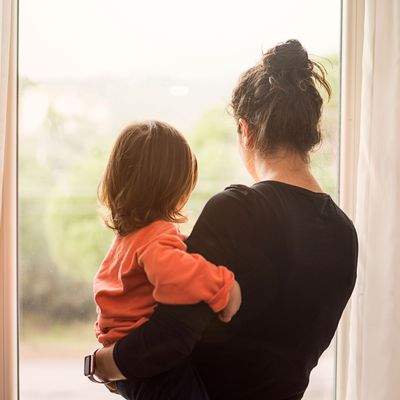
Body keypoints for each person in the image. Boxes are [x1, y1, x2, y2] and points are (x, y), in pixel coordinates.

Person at [91, 39, 358, 400]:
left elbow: (169, 336)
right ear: (308, 133)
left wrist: (101, 364)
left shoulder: (237, 209)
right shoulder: (343, 233)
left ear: (245, 131)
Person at [90, 121, 241, 397]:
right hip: (155, 369)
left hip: (128, 366)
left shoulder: (127, 239)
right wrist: (223, 286)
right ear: (176, 189)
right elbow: (178, 278)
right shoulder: (156, 237)